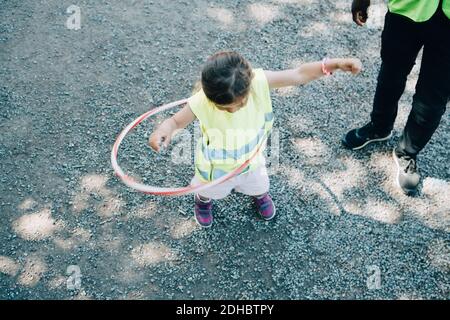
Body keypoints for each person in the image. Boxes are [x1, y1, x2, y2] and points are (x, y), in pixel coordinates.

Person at [150, 51, 362, 227]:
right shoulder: (201, 101)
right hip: (216, 166)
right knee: (208, 188)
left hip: (251, 160)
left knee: (259, 184)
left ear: (249, 85)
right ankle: (203, 200)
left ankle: (258, 195)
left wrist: (336, 64)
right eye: (225, 108)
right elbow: (176, 122)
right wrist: (164, 128)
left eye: (239, 104)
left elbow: (299, 74)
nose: (233, 109)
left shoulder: (258, 82)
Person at [343, 0, 450, 195]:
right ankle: (380, 127)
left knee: (433, 100)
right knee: (390, 75)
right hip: (408, 7)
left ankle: (407, 151)